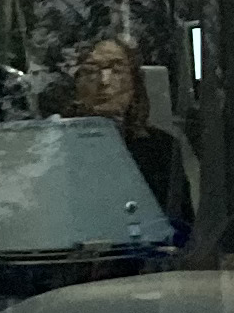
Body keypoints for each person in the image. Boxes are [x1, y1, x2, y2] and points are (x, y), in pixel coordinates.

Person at [67, 37, 195, 238]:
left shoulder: (161, 149)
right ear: (75, 84)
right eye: (91, 71)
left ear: (135, 82)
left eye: (117, 70)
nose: (104, 81)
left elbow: (181, 231)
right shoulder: (54, 148)